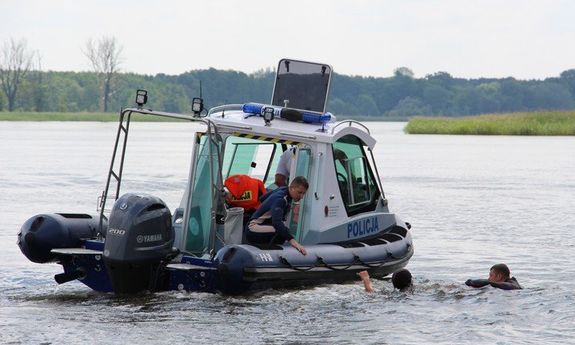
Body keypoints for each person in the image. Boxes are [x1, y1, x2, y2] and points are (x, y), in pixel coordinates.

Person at [246, 176, 308, 255]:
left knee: (283, 229)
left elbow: (262, 198)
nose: (302, 197)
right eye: (299, 192)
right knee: (282, 231)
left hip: (259, 225)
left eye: (304, 193)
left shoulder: (283, 189)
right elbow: (277, 223)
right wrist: (294, 242)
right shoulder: (280, 199)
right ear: (292, 188)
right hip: (252, 228)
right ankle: (272, 256)